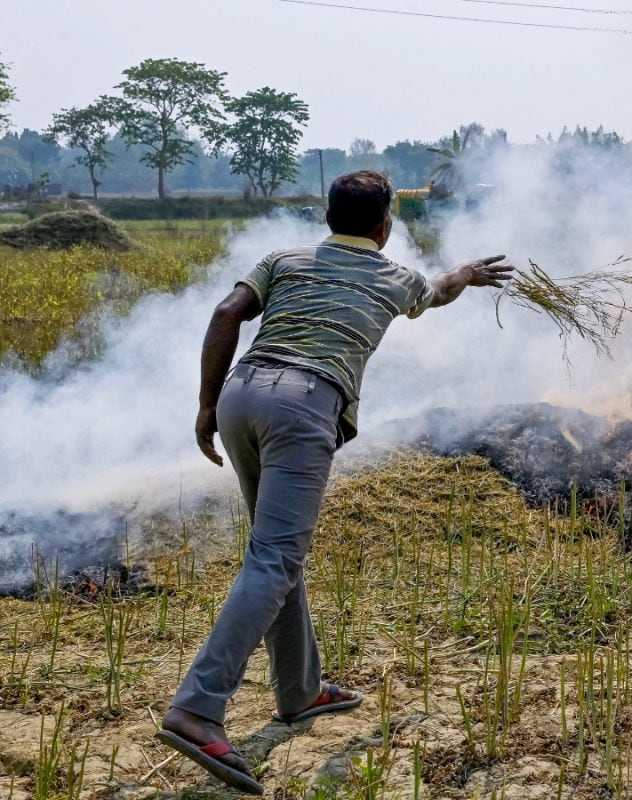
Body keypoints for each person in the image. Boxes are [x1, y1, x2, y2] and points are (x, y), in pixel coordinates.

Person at [155, 170, 512, 794]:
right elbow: (440, 289)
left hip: (241, 395)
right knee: (274, 558)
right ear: (385, 226)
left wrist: (207, 405)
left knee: (275, 553)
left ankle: (299, 691)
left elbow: (226, 312)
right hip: (302, 406)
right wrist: (467, 273)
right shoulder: (393, 275)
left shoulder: (282, 259)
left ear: (327, 217)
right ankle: (197, 708)